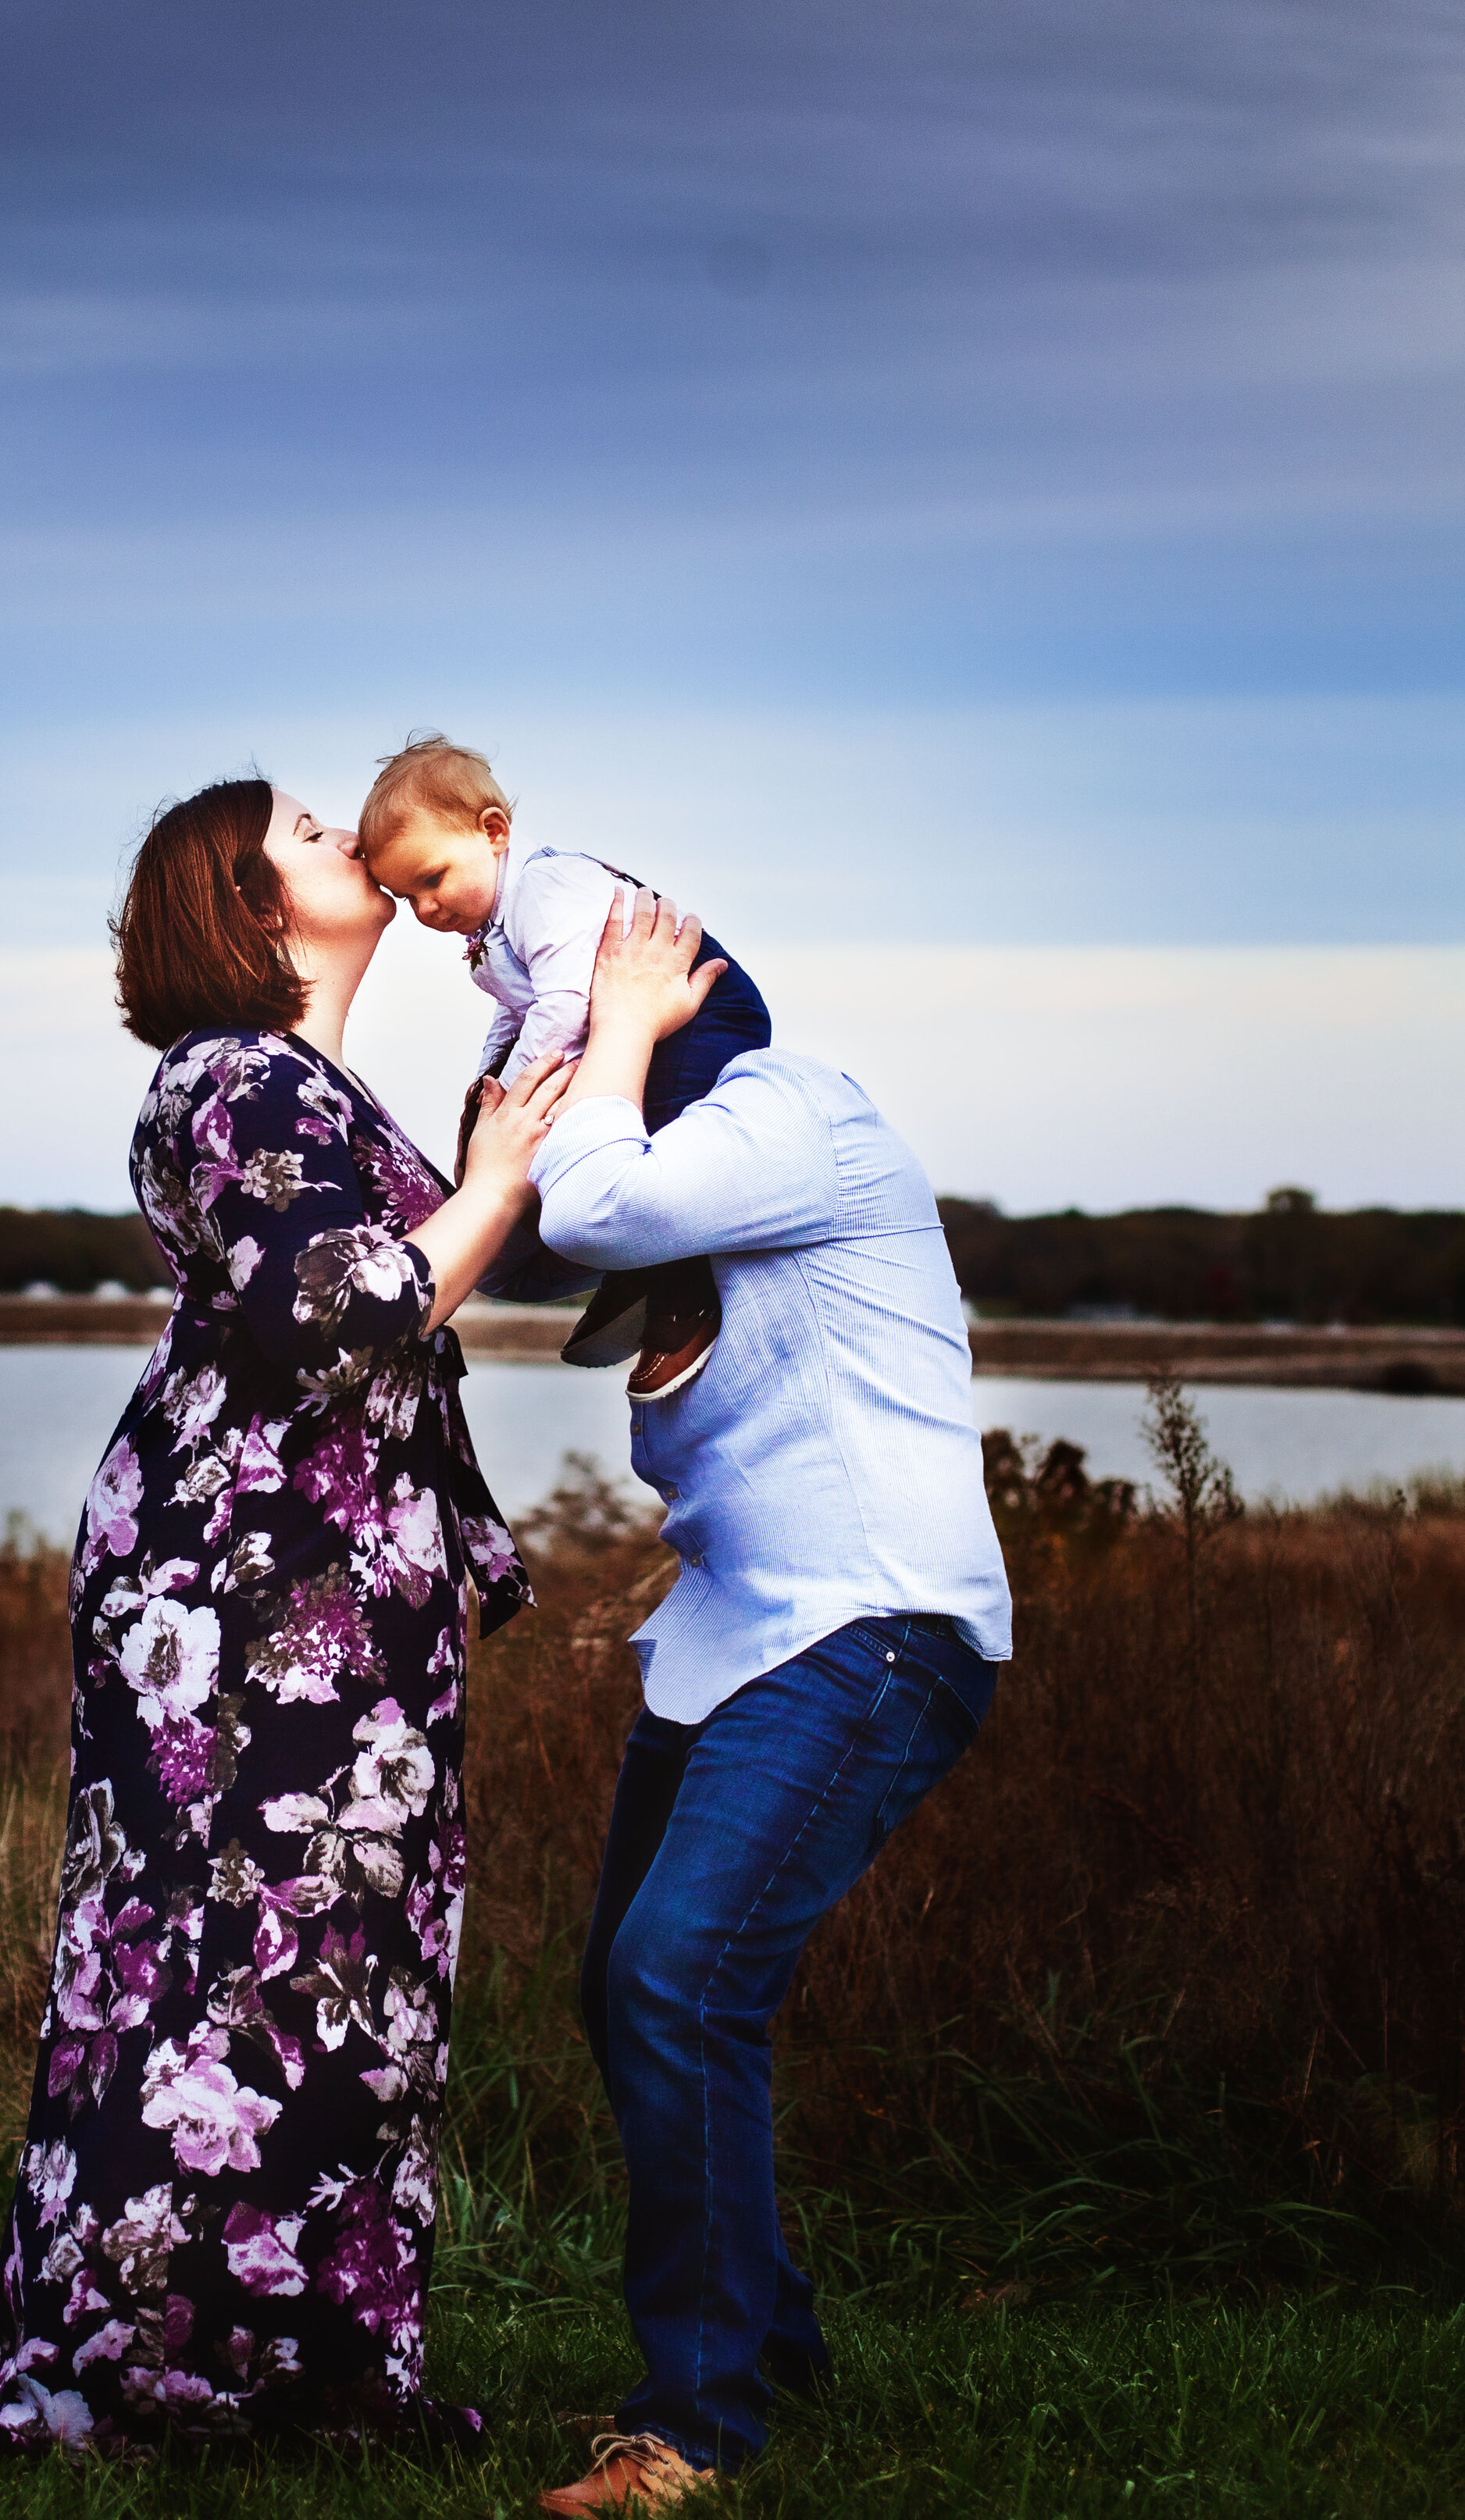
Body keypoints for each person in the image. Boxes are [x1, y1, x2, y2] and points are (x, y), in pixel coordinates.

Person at [0, 777, 569, 2458]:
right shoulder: (231, 1077)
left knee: (334, 1963)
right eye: (308, 831)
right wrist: (492, 1183)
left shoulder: (303, 1083)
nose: (346, 840)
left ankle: (297, 2371)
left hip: (322, 1574)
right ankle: (143, 2367)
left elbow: (434, 1268)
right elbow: (332, 1315)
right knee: (221, 1951)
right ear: (247, 905)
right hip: (249, 1593)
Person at [526, 893, 1014, 2513]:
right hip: (734, 1639)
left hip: (872, 1625)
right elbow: (541, 1215)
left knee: (679, 1976)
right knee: (623, 1989)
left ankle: (696, 2425)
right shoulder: (676, 1204)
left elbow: (592, 1201)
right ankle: (769, 2356)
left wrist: (619, 1012)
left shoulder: (793, 1110)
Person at [358, 733, 772, 1401]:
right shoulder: (493, 928)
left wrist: (521, 1090)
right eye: (409, 897)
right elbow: (518, 1012)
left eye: (431, 879)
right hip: (637, 1016)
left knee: (654, 1145)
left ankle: (683, 1290)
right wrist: (494, 1082)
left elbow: (565, 1004)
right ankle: (634, 1266)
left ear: (494, 831)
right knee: (587, 1142)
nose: (426, 908)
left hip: (700, 1009)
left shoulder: (541, 889)